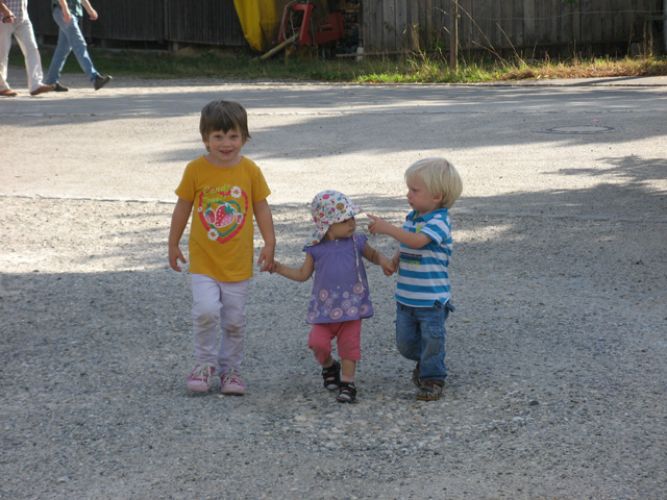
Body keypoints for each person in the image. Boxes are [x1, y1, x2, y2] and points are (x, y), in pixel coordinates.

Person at [168, 100, 276, 396]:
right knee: (205, 312)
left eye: (233, 136)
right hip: (204, 261)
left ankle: (230, 370)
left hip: (237, 263)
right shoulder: (195, 170)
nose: (226, 143)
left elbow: (261, 207)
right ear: (205, 138)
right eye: (218, 136)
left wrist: (270, 242)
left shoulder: (250, 170)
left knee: (234, 321)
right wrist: (173, 242)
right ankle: (204, 364)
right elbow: (182, 207)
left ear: (244, 137)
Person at [269, 190, 394, 403]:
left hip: (351, 308)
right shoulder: (315, 249)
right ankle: (329, 366)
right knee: (317, 343)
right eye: (344, 220)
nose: (351, 223)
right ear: (326, 225)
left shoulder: (357, 241)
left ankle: (348, 383)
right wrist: (278, 268)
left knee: (349, 347)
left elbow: (373, 254)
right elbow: (302, 274)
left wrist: (384, 262)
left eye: (352, 217)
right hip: (324, 310)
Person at [368, 158, 462, 401]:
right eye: (409, 189)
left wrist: (387, 228)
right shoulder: (413, 218)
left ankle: (433, 378)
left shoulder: (439, 221)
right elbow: (407, 243)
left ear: (437, 196)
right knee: (405, 344)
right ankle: (428, 361)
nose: (408, 194)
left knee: (432, 339)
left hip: (432, 299)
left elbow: (418, 241)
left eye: (415, 190)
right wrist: (395, 260)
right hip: (406, 296)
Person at [44, 0, 111, 92]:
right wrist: (65, 9)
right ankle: (95, 78)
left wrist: (90, 10)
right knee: (79, 44)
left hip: (71, 13)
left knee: (62, 50)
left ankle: (51, 82)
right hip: (63, 11)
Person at [0, 0, 53, 97]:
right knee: (2, 53)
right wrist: (6, 11)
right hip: (3, 17)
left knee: (32, 49)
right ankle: (1, 86)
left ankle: (35, 85)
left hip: (23, 17)